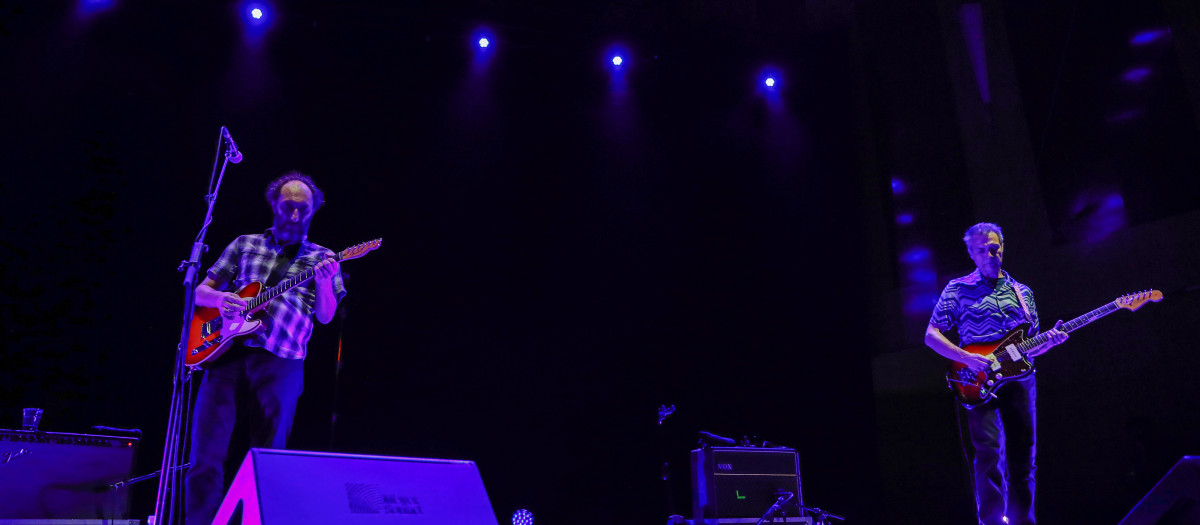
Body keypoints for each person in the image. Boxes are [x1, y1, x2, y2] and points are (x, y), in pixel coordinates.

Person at [184, 172, 346, 525]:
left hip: (282, 361)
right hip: (226, 356)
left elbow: (326, 316)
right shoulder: (245, 244)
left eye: (303, 210)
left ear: (312, 212)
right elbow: (200, 292)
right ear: (274, 205)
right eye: (288, 207)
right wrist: (222, 297)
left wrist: (324, 285)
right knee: (205, 454)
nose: (294, 216)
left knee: (269, 454)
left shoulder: (323, 257)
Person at [924, 223, 1068, 525]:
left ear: (1001, 247)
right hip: (976, 379)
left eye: (992, 247)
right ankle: (990, 522)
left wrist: (1050, 341)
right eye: (980, 250)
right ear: (970, 253)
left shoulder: (1023, 292)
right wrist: (966, 358)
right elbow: (931, 335)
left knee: (1023, 457)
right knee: (988, 454)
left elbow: (1031, 346)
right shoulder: (958, 289)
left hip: (1020, 380)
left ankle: (1022, 521)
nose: (988, 254)